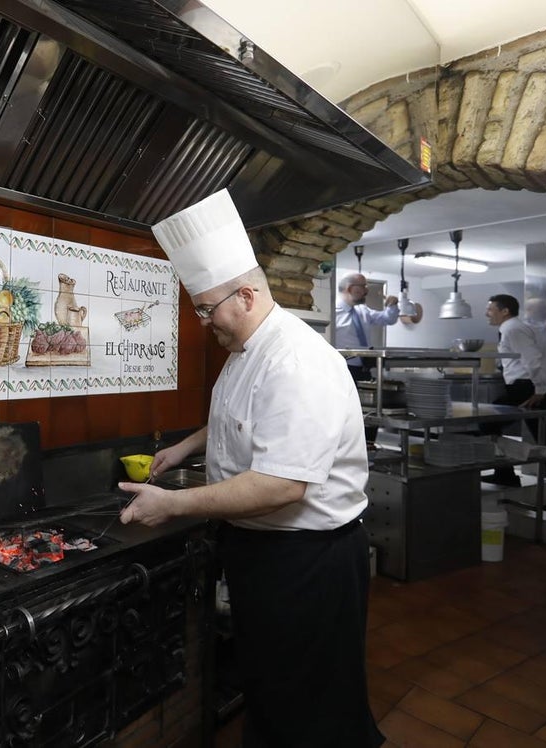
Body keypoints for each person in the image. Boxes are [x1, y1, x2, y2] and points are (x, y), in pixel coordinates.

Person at [122, 189, 383, 747]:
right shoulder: (248, 350)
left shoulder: (298, 361)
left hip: (309, 560)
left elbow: (282, 485)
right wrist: (184, 450)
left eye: (205, 308)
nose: (200, 322)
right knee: (272, 684)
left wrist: (173, 503)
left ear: (244, 295)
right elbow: (241, 418)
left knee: (309, 699)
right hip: (266, 554)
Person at [483, 294, 546, 512]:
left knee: (488, 424)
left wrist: (541, 390)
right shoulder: (523, 327)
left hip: (526, 388)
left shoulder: (512, 328)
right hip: (533, 387)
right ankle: (507, 475)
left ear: (505, 311)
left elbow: (533, 360)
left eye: (490, 309)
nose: (487, 313)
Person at [335, 273, 399, 381]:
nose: (366, 291)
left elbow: (388, 319)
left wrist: (392, 306)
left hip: (364, 369)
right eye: (363, 286)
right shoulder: (333, 312)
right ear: (350, 288)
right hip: (341, 370)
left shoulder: (362, 310)